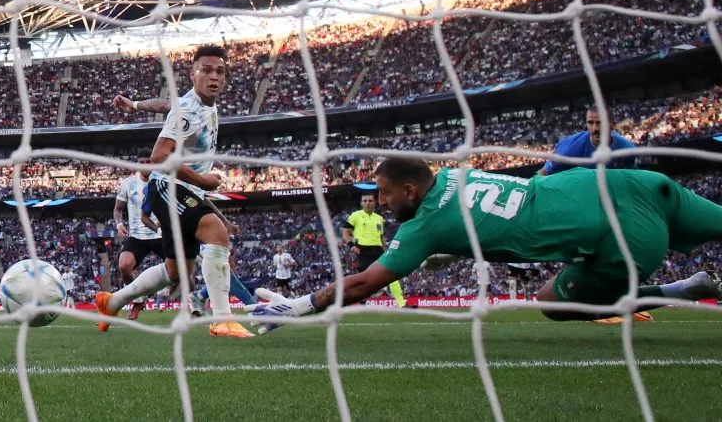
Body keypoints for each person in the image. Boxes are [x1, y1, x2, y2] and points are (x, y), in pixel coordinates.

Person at [250, 158, 722, 329]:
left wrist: (300, 306)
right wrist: (450, 251)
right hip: (636, 184)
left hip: (625, 238)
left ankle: (684, 289)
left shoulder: (422, 225)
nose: (384, 204)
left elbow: (361, 286)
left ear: (410, 191)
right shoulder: (456, 174)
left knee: (551, 303)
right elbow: (479, 216)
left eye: (387, 195)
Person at [96, 45, 253, 338]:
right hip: (168, 186)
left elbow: (166, 104)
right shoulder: (190, 112)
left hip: (179, 189)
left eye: (220, 71)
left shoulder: (196, 103)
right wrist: (202, 181)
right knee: (217, 233)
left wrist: (135, 105)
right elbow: (159, 156)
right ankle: (222, 319)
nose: (214, 76)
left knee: (177, 271)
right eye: (206, 70)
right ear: (193, 74)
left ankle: (112, 301)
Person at [113, 168, 162, 321]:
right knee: (124, 266)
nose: (146, 166)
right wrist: (119, 224)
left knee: (182, 269)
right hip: (137, 236)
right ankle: (139, 301)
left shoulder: (163, 181)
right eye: (142, 163)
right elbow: (118, 209)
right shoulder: (128, 183)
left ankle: (194, 303)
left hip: (160, 234)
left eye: (149, 162)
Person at [342, 195, 405, 308]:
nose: (368, 203)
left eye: (370, 201)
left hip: (378, 250)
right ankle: (362, 303)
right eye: (365, 201)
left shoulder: (379, 218)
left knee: (391, 274)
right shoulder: (355, 216)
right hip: (363, 250)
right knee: (365, 278)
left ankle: (401, 303)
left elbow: (380, 237)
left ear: (374, 203)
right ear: (361, 203)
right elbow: (345, 232)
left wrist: (385, 250)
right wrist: (351, 245)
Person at [539, 107, 636, 176]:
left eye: (600, 123)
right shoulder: (570, 149)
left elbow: (631, 177)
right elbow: (543, 174)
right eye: (590, 123)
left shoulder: (627, 149)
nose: (595, 128)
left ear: (613, 125)